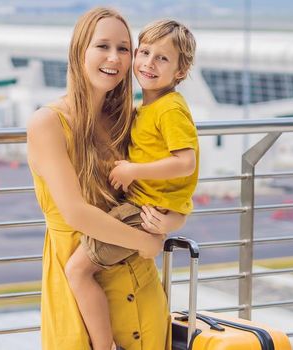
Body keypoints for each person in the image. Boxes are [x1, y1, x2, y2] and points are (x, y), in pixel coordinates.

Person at [26, 7, 188, 350]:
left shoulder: (127, 120)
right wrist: (143, 241)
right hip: (79, 291)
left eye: (124, 48)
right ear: (79, 49)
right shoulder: (48, 123)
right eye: (103, 46)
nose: (114, 58)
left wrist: (171, 220)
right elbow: (75, 213)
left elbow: (169, 184)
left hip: (141, 290)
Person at [64, 19, 199, 350]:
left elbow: (187, 163)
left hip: (141, 210)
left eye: (163, 58)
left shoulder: (169, 108)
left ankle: (102, 344)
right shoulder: (143, 109)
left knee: (78, 271)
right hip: (144, 210)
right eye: (145, 52)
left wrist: (134, 172)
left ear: (180, 72)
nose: (149, 63)